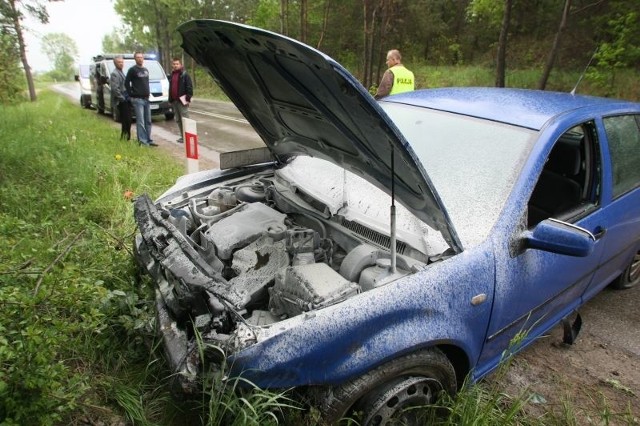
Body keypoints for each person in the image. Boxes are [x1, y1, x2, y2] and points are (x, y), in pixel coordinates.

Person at [125, 52, 157, 146]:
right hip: (137, 99)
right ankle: (142, 141)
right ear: (135, 59)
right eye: (138, 57)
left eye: (141, 57)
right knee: (141, 121)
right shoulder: (132, 70)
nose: (140, 59)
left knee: (148, 121)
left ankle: (148, 140)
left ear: (143, 58)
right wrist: (131, 94)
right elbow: (126, 83)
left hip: (146, 98)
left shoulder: (146, 70)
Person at [168, 57, 194, 143]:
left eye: (177, 64)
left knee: (186, 120)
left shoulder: (185, 75)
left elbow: (189, 87)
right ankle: (183, 137)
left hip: (182, 101)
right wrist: (170, 99)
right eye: (174, 64)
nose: (175, 65)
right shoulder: (172, 75)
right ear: (172, 65)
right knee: (178, 120)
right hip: (174, 101)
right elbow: (170, 88)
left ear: (180, 65)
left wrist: (188, 98)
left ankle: (189, 138)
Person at [109, 55, 132, 140]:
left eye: (122, 62)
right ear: (115, 63)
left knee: (128, 120)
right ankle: (125, 137)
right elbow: (115, 89)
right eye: (119, 62)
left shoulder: (121, 72)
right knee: (125, 120)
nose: (121, 64)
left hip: (126, 99)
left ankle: (126, 137)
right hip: (122, 101)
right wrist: (122, 99)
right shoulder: (114, 74)